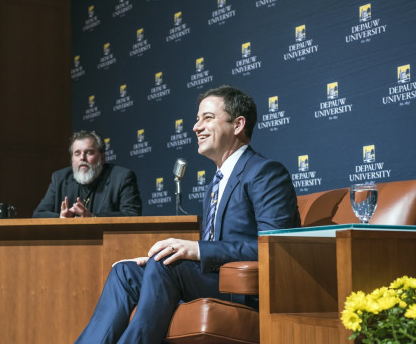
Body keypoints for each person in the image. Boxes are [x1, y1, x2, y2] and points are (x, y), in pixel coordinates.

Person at [75, 85, 300, 343]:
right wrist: (161, 259)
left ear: (238, 124)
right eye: (196, 119)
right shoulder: (216, 184)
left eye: (207, 118)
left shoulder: (265, 172)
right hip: (214, 277)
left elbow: (275, 248)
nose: (196, 127)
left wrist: (197, 250)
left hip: (246, 287)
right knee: (125, 273)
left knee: (167, 264)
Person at [33, 130, 142, 218]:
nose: (82, 158)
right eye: (77, 153)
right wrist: (61, 219)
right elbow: (38, 215)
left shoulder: (122, 177)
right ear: (72, 159)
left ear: (102, 157)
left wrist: (93, 217)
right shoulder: (59, 179)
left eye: (89, 152)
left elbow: (132, 215)